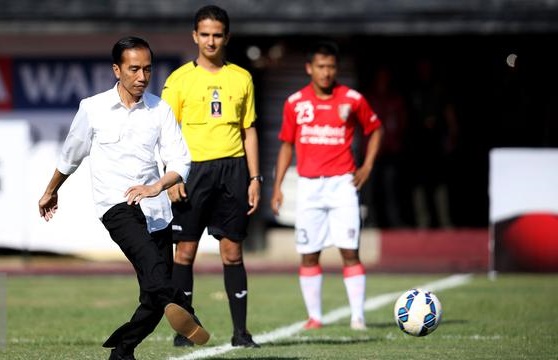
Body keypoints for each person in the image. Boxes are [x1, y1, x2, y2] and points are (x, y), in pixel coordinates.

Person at [37, 36, 209, 360]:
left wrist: (158, 185)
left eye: (147, 69)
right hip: (116, 208)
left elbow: (181, 162)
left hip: (156, 209)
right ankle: (184, 306)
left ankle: (123, 350)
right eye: (134, 69)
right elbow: (70, 156)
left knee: (153, 295)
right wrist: (50, 190)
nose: (142, 77)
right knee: (156, 273)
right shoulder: (93, 108)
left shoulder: (160, 109)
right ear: (117, 69)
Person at [161, 5, 261, 348]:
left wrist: (254, 178)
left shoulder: (242, 78)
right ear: (194, 36)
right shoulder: (178, 80)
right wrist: (172, 178)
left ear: (227, 37)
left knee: (232, 252)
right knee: (184, 253)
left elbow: (249, 131)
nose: (211, 40)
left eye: (217, 34)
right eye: (205, 34)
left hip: (233, 170)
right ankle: (184, 329)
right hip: (192, 171)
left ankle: (241, 333)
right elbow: (165, 133)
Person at [270, 41, 383, 331]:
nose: (326, 72)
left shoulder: (352, 99)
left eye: (331, 66)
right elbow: (286, 145)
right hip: (308, 186)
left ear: (337, 68)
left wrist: (367, 166)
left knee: (349, 250)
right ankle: (314, 317)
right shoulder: (295, 102)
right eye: (320, 66)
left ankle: (358, 317)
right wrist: (278, 186)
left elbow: (376, 128)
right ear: (309, 68)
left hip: (343, 184)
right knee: (309, 253)